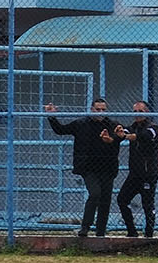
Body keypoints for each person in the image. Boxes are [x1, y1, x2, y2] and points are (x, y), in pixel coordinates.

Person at [45, 98, 122, 238]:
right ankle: (85, 227)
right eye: (98, 109)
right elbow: (61, 130)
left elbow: (121, 136)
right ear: (91, 109)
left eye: (103, 110)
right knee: (95, 193)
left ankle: (100, 231)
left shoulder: (112, 125)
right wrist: (52, 117)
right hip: (88, 167)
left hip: (108, 167)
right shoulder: (81, 124)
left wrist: (115, 137)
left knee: (105, 199)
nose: (101, 112)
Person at [114, 100, 158, 238]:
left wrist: (127, 136)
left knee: (147, 205)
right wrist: (118, 134)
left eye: (140, 111)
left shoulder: (153, 127)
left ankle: (149, 234)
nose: (137, 114)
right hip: (134, 174)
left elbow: (144, 136)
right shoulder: (132, 127)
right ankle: (132, 231)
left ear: (147, 112)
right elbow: (124, 133)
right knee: (122, 200)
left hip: (148, 174)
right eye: (135, 112)